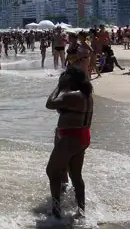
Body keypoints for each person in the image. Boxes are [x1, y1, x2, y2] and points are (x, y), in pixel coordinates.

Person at [45, 66, 94, 219]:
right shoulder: (87, 96)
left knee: (52, 171)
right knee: (76, 175)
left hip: (70, 137)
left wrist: (59, 86)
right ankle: (81, 210)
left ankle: (56, 211)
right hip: (82, 135)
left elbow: (50, 103)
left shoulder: (72, 95)